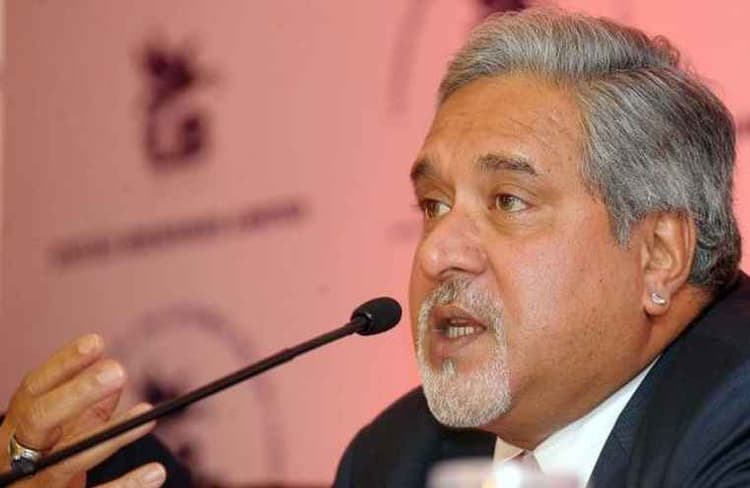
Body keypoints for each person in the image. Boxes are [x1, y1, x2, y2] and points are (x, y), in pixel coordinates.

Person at [334, 7, 750, 488]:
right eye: (433, 206)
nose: (436, 254)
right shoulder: (394, 459)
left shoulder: (736, 424)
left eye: (507, 201)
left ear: (658, 256)